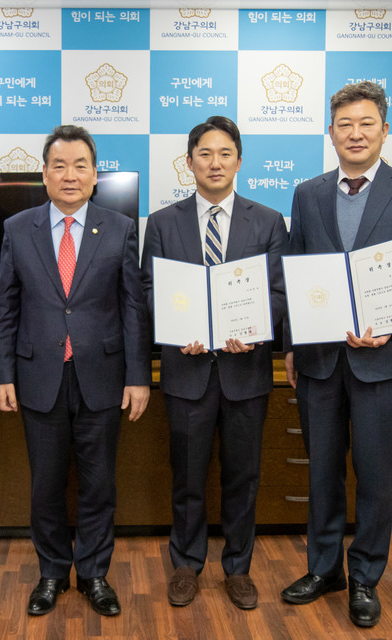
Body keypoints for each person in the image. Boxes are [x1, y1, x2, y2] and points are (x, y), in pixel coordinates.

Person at [279, 81, 392, 628]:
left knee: (374, 476)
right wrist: (291, 344)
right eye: (345, 124)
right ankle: (324, 569)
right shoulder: (307, 193)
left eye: (366, 123)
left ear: (384, 130)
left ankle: (367, 577)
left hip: (382, 358)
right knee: (322, 473)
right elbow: (296, 272)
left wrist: (390, 318)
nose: (355, 133)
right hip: (320, 359)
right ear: (330, 133)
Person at [0, 125, 151, 617]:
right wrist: (3, 374)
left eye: (81, 165)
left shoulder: (119, 228)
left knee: (99, 484)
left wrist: (138, 376)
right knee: (46, 485)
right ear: (44, 174)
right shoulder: (18, 228)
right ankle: (52, 573)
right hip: (38, 377)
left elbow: (133, 308)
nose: (70, 175)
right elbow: (5, 307)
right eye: (59, 166)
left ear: (95, 174)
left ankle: (95, 574)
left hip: (102, 377)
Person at [141, 116, 288, 610]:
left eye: (225, 153)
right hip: (187, 372)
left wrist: (254, 328)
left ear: (239, 161)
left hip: (246, 372)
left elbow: (279, 292)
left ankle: (238, 568)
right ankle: (186, 564)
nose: (215, 162)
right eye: (205, 153)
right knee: (187, 475)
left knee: (242, 477)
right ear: (189, 162)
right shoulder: (163, 223)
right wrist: (176, 329)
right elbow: (149, 289)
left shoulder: (268, 221)